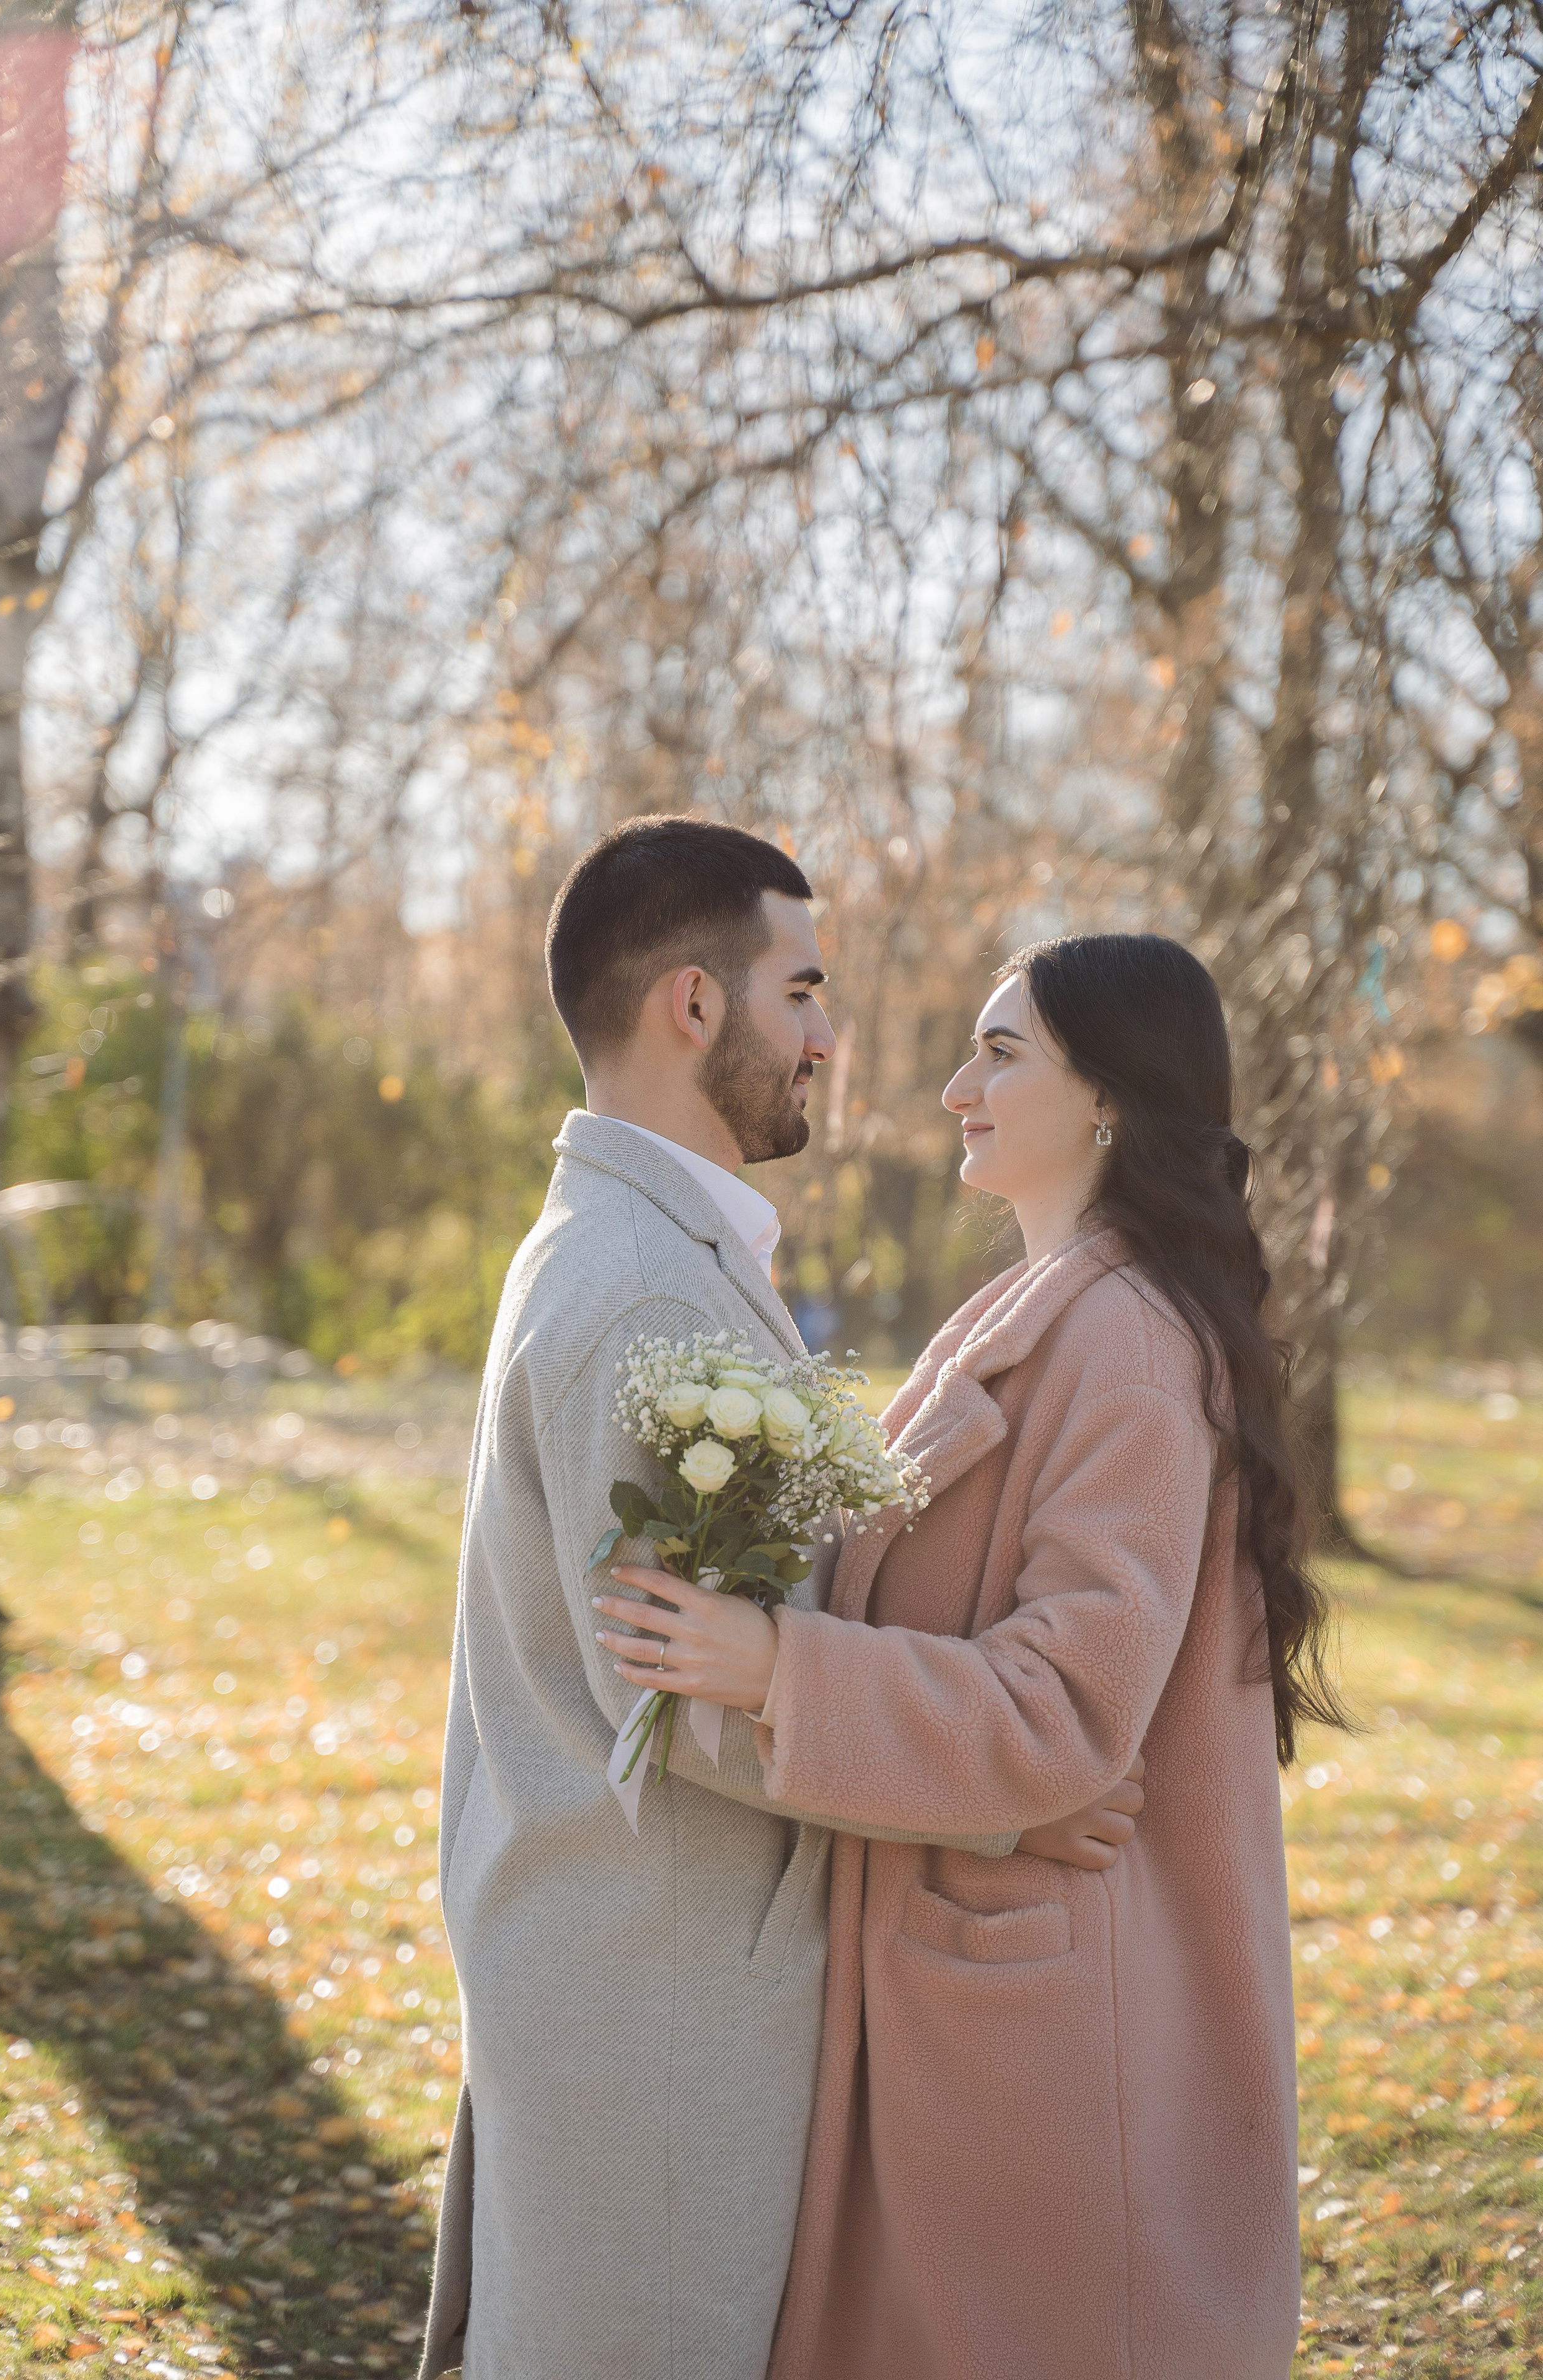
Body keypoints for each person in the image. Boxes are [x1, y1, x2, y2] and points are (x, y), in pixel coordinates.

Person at [418, 821, 1136, 2380]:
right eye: (801, 991)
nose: (829, 1036)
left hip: (620, 1959)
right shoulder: (646, 1290)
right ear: (694, 1006)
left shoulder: (631, 1246)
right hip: (659, 1996)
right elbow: (679, 1698)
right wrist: (1005, 1804)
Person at [597, 931, 1347, 2380]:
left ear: (1111, 1102)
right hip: (979, 2001)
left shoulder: (1122, 1347)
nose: (952, 1088)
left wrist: (774, 1668)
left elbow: (1065, 1707)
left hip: (1055, 2041)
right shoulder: (1029, 1316)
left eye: (999, 1055)